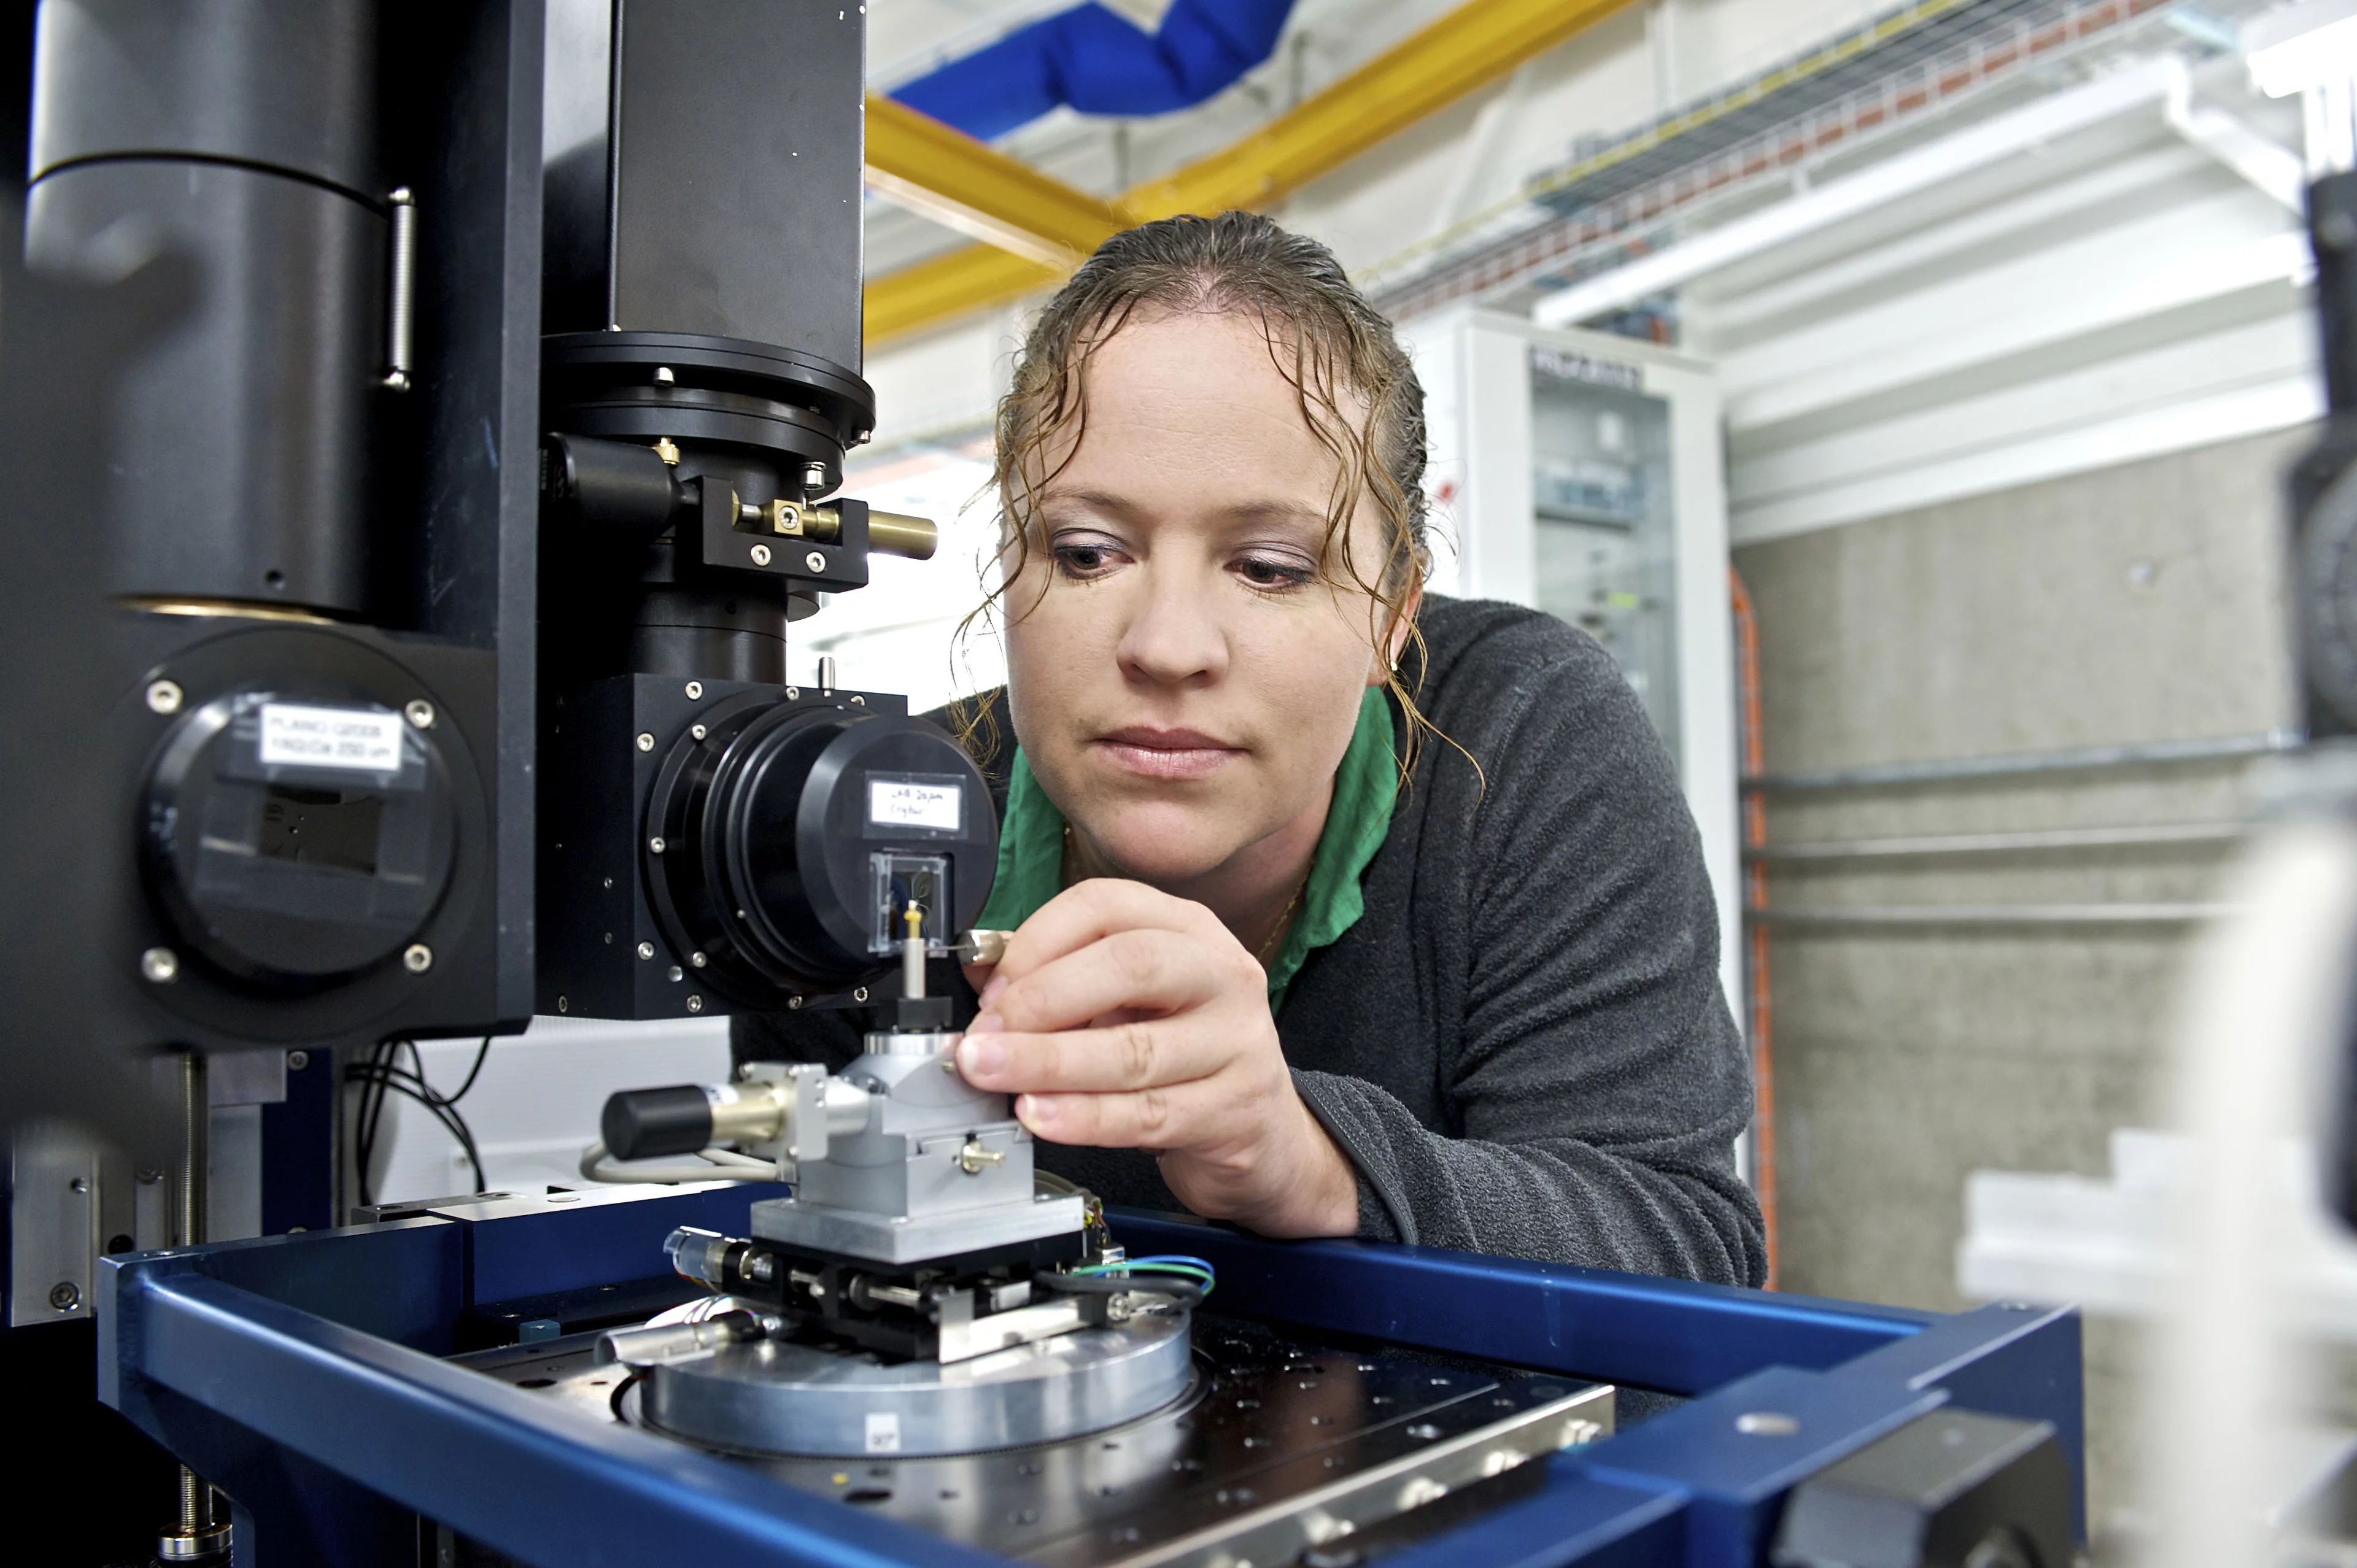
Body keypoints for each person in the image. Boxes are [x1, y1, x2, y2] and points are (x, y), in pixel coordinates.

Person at [737, 211, 1765, 1287]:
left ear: (1393, 614)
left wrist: (1315, 1165)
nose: (1167, 645)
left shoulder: (1518, 735)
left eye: (1271, 567)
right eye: (1086, 553)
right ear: (1009, 567)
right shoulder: (878, 815)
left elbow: (1686, 1246)